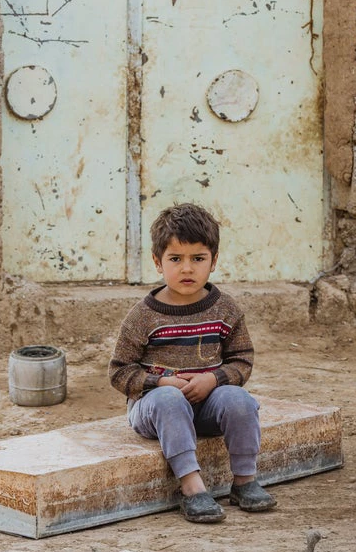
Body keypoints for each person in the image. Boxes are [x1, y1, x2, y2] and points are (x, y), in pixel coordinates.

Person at [108, 203, 276, 523]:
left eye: (198, 259)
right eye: (176, 259)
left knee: (240, 400)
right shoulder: (143, 316)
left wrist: (214, 380)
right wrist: (161, 383)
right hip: (156, 409)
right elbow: (119, 371)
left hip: (207, 407)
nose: (187, 269)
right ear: (157, 262)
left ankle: (245, 481)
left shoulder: (225, 309)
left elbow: (242, 360)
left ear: (214, 261)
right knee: (170, 400)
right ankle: (192, 488)